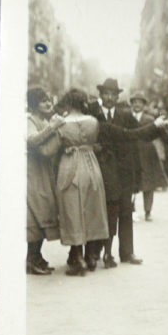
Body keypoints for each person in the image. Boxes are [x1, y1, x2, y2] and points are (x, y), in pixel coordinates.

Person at [88, 78, 151, 267]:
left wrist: (137, 175)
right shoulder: (93, 113)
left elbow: (134, 145)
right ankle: (96, 252)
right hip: (99, 171)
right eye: (106, 93)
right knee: (99, 211)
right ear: (101, 95)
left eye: (113, 94)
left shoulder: (125, 116)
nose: (109, 97)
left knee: (125, 211)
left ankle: (126, 252)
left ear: (117, 96)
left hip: (123, 172)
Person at [54, 88, 109, 276]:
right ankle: (91, 256)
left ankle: (77, 258)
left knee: (72, 209)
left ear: (68, 103)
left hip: (70, 165)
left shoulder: (61, 123)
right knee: (91, 207)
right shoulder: (93, 122)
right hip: (90, 164)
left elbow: (53, 148)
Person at [26, 86, 63, 274]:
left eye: (49, 99)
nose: (49, 103)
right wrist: (52, 127)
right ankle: (31, 259)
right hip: (33, 174)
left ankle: (36, 256)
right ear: (34, 104)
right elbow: (32, 140)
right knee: (34, 214)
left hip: (44, 172)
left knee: (43, 211)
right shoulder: (29, 120)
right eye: (43, 101)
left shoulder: (44, 120)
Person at [130, 90, 168, 221]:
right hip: (131, 151)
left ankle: (148, 211)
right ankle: (132, 210)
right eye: (134, 102)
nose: (137, 104)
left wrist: (163, 126)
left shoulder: (149, 119)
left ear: (144, 105)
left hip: (147, 152)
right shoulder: (127, 117)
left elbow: (161, 134)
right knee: (131, 182)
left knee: (148, 183)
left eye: (139, 102)